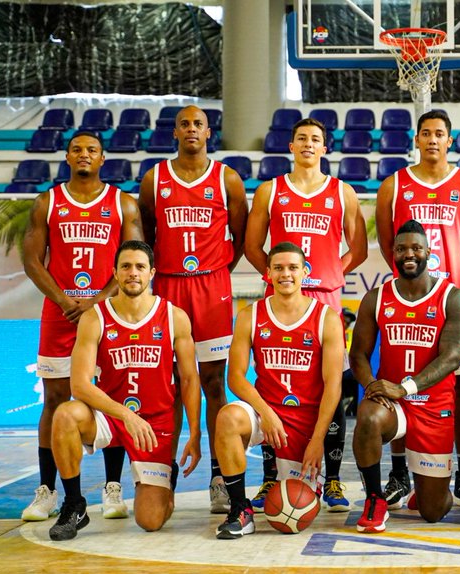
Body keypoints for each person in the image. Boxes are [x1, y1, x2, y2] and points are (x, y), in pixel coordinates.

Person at [244, 117, 367, 513]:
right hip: (279, 302)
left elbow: (359, 249)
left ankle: (331, 478)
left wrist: (331, 273)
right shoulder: (269, 191)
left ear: (325, 148)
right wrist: (282, 278)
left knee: (330, 387)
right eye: (302, 139)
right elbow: (251, 246)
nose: (309, 145)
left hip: (325, 302)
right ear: (291, 147)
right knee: (273, 383)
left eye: (316, 139)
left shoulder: (342, 192)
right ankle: (267, 481)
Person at [21, 131, 144, 521]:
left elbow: (133, 258)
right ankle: (47, 491)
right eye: (77, 149)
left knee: (110, 397)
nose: (84, 154)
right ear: (68, 157)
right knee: (55, 401)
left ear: (103, 157)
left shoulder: (122, 203)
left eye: (92, 149)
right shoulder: (48, 202)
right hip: (59, 315)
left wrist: (96, 301)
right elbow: (32, 260)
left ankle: (112, 488)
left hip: (107, 313)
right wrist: (62, 299)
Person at [375, 110, 460, 510]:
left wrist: (447, 282)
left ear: (449, 140)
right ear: (416, 138)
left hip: (452, 301)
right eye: (425, 133)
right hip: (407, 303)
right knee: (400, 384)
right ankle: (396, 474)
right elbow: (390, 242)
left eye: (439, 134)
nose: (432, 140)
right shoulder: (394, 185)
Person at [47, 240, 201, 541]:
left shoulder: (174, 317)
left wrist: (194, 434)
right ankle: (74, 504)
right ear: (115, 273)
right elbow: (78, 384)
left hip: (155, 422)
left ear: (152, 273)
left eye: (140, 267)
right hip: (111, 416)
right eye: (126, 267)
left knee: (150, 520)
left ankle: (162, 478)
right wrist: (126, 416)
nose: (133, 273)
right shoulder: (95, 317)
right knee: (65, 414)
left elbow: (190, 380)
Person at [138, 105, 249, 513]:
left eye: (197, 124)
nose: (190, 129)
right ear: (174, 132)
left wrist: (217, 270)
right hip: (166, 284)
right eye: (184, 123)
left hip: (211, 287)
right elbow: (146, 234)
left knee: (213, 384)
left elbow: (240, 235)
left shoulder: (227, 179)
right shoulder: (155, 179)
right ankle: (162, 470)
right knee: (167, 385)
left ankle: (221, 476)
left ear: (208, 132)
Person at [213, 242, 344, 539]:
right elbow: (235, 378)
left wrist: (318, 441)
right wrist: (266, 412)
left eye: (293, 268)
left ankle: (310, 477)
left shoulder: (327, 318)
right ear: (268, 273)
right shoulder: (250, 316)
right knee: (228, 417)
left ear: (305, 273)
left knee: (298, 508)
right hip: (266, 416)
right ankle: (240, 510)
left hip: (307, 423)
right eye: (279, 268)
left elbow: (333, 387)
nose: (286, 274)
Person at [349, 220, 460, 533]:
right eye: (402, 248)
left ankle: (433, 488)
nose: (409, 254)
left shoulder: (452, 297)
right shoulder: (376, 298)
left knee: (432, 512)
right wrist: (371, 387)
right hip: (393, 404)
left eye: (416, 248)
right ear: (393, 253)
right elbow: (358, 354)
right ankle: (375, 498)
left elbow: (452, 357)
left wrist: (406, 388)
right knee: (367, 417)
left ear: (429, 252)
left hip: (433, 405)